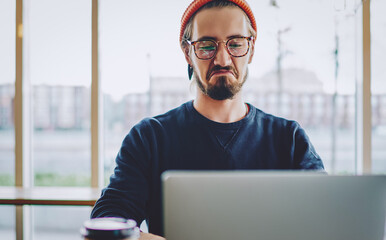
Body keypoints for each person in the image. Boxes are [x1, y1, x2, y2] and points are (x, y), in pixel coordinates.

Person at [91, 0, 325, 239]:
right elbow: (106, 223)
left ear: (251, 50)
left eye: (235, 44)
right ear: (188, 53)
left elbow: (326, 220)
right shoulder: (149, 138)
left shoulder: (289, 140)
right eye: (206, 46)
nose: (222, 59)